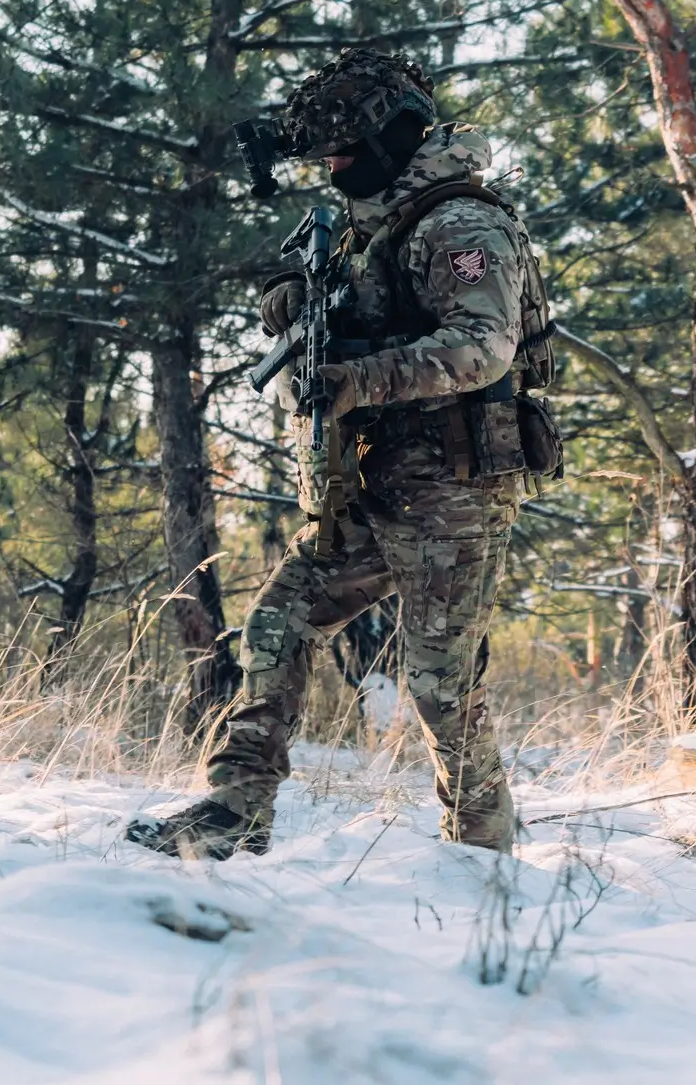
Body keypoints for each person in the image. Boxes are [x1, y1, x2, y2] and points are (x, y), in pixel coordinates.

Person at [125, 49, 557, 859]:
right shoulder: (374, 222)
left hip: (454, 485)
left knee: (439, 682)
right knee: (277, 627)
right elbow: (349, 304)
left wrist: (353, 376)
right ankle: (235, 807)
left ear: (392, 137)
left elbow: (481, 349)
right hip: (370, 478)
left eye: (345, 153)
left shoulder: (462, 224)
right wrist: (295, 300)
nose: (333, 168)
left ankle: (483, 856)